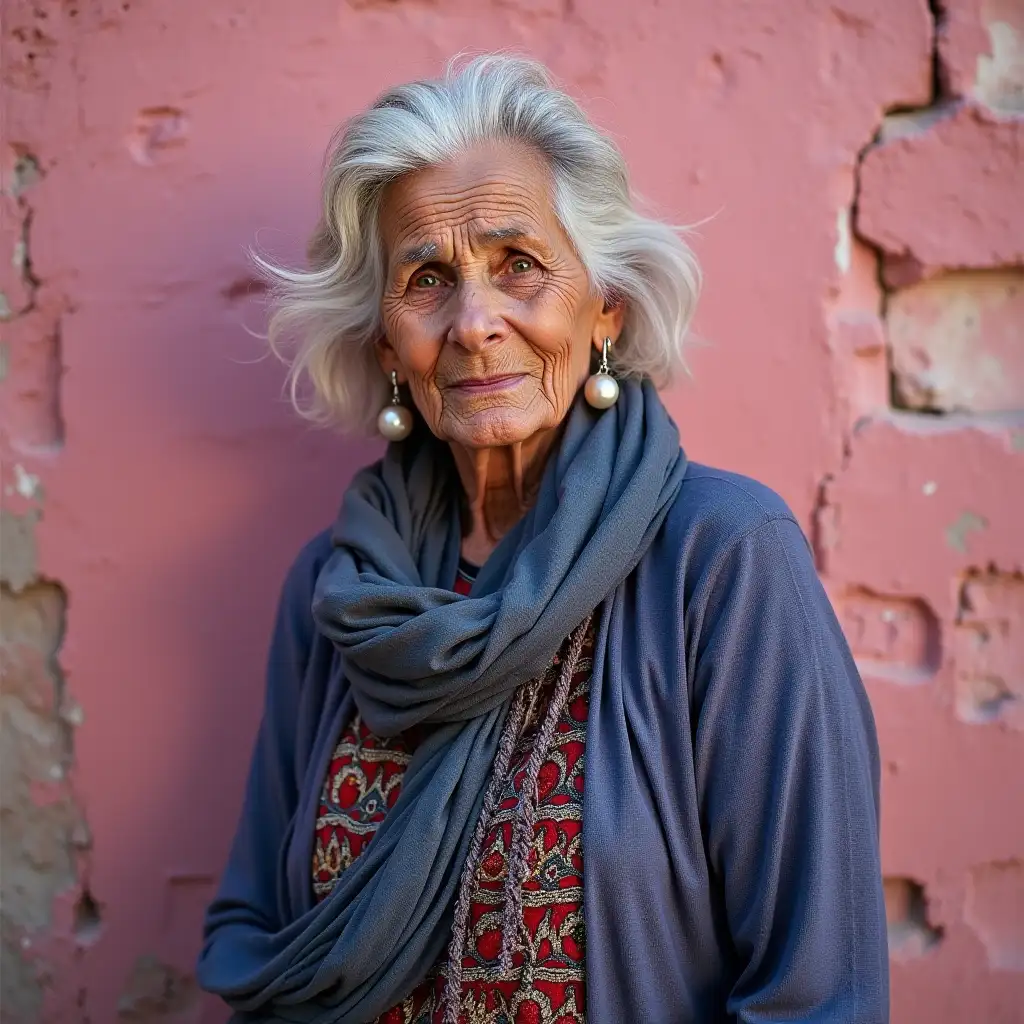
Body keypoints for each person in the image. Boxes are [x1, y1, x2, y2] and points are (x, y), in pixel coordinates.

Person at [197, 54, 888, 1024]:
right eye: (427, 279)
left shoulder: (723, 559)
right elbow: (256, 926)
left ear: (602, 304)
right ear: (388, 342)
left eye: (517, 264)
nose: (475, 323)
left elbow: (818, 994)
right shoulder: (338, 590)